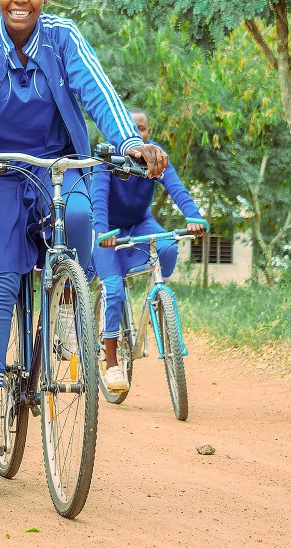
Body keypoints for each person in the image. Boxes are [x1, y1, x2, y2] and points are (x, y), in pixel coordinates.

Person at [0, 0, 168, 454]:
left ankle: (66, 303)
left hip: (57, 164)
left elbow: (98, 91)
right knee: (1, 279)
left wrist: (130, 141)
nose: (19, 0)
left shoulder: (63, 35)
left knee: (81, 218)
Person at [91, 109, 205, 391]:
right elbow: (99, 196)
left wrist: (193, 216)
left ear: (148, 132)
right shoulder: (107, 156)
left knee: (168, 249)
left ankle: (158, 299)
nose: (137, 134)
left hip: (140, 223)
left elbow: (176, 188)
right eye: (131, 128)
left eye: (141, 128)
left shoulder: (155, 156)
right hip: (108, 231)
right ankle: (112, 363)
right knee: (113, 290)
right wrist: (101, 231)